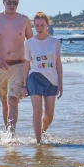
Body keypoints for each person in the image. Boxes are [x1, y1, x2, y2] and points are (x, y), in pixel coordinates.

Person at [0, 0, 33, 135]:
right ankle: (7, 132)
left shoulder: (23, 20)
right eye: (9, 2)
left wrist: (32, 67)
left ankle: (11, 135)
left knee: (13, 100)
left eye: (15, 3)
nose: (12, 5)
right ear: (3, 2)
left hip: (18, 64)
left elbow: (31, 44)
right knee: (4, 102)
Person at [25, 12, 63, 144]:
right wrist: (24, 84)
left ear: (47, 25)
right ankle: (38, 142)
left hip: (51, 81)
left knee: (49, 115)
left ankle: (43, 131)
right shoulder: (29, 43)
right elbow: (26, 64)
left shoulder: (55, 42)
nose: (39, 27)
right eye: (36, 25)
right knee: (37, 110)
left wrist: (60, 83)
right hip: (34, 77)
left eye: (42, 25)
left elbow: (58, 64)